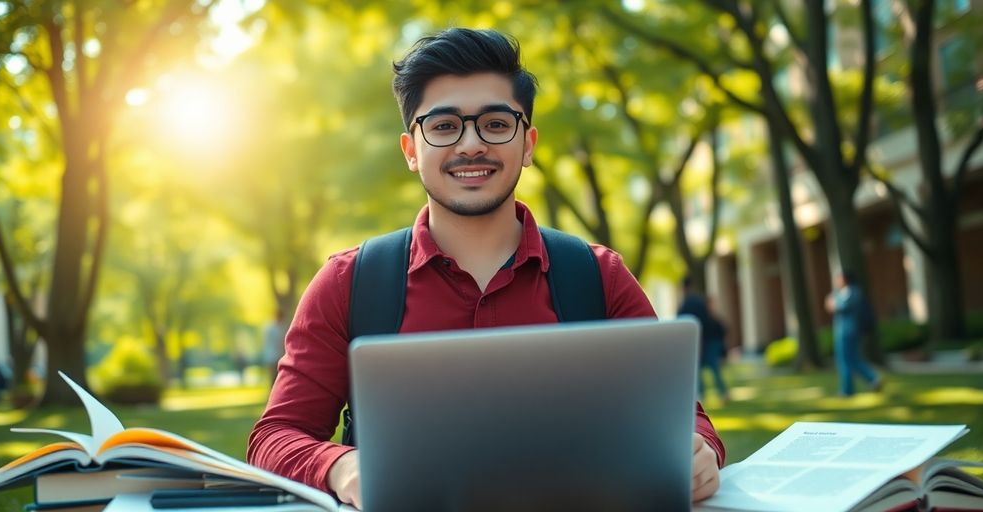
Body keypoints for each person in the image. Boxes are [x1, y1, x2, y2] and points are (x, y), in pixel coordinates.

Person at [247, 28, 725, 509]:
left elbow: (687, 423)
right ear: (412, 150)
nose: (471, 144)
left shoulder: (599, 276)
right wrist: (345, 468)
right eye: (443, 125)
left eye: (496, 124)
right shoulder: (349, 284)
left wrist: (700, 454)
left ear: (529, 144)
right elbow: (274, 438)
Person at [824, 270, 882, 397]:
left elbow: (839, 307)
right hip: (851, 331)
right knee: (853, 359)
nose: (837, 281)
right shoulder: (852, 292)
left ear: (845, 279)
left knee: (844, 361)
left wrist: (832, 303)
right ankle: (873, 379)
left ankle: (847, 389)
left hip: (846, 331)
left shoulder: (850, 292)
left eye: (839, 278)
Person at [677, 279, 730, 404]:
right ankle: (723, 393)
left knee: (699, 369)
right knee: (713, 367)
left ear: (684, 288)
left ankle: (702, 396)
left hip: (699, 340)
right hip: (708, 338)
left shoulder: (686, 304)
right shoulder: (699, 302)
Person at [261, 309, 287, 385]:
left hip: (275, 355)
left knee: (277, 376)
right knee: (274, 376)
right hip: (273, 355)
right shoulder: (273, 328)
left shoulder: (278, 328)